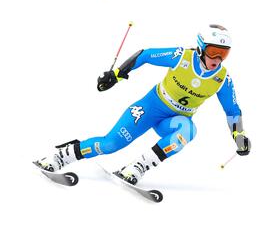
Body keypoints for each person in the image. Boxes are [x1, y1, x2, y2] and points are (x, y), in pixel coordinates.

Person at [34, 24, 251, 185]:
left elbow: (232, 110)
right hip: (150, 108)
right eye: (214, 51)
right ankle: (60, 156)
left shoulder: (222, 78)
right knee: (110, 145)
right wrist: (117, 75)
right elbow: (146, 55)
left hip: (174, 121)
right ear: (201, 47)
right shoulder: (181, 56)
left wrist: (238, 136)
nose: (218, 58)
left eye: (224, 53)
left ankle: (137, 167)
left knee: (188, 131)